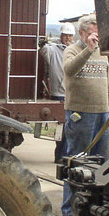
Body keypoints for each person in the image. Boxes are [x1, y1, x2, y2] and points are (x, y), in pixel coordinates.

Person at [59, 14, 109, 216]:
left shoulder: (103, 54)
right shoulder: (73, 50)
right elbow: (69, 69)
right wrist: (88, 50)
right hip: (81, 114)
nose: (96, 37)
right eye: (93, 33)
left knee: (102, 163)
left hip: (103, 114)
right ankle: (69, 210)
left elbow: (108, 84)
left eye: (98, 33)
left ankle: (95, 208)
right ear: (82, 33)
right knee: (77, 161)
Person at [41, 22, 74, 162]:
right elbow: (44, 51)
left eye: (70, 35)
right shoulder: (53, 50)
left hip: (72, 94)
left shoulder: (75, 50)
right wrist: (41, 44)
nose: (67, 37)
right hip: (59, 94)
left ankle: (64, 156)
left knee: (71, 127)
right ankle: (61, 156)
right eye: (65, 35)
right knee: (62, 127)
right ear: (61, 35)